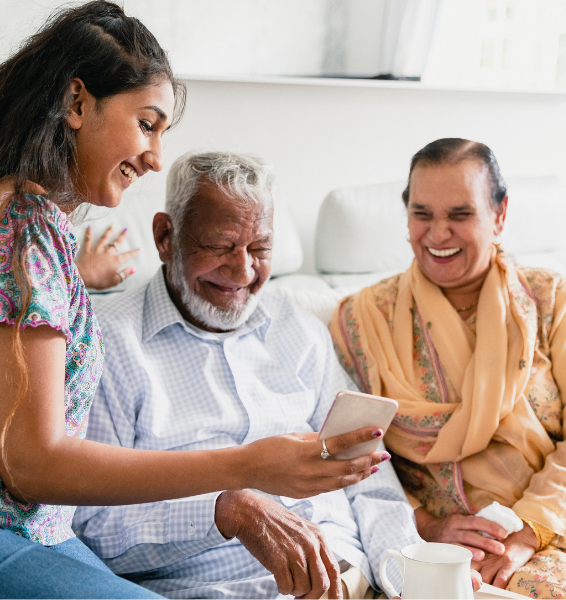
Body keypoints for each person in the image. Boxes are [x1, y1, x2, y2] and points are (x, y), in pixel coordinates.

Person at [0, 3, 385, 598]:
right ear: (77, 103)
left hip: (38, 531)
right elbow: (31, 462)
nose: (157, 155)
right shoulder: (21, 223)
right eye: (147, 123)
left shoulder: (34, 224)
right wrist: (244, 468)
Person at [73, 150, 424, 599]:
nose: (243, 271)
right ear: (165, 237)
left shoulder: (301, 330)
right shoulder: (106, 342)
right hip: (215, 589)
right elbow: (91, 529)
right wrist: (223, 511)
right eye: (220, 247)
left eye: (260, 248)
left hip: (352, 583)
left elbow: (368, 479)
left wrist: (412, 576)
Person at [330, 137, 566, 598]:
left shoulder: (549, 300)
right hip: (427, 550)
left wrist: (528, 532)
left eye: (460, 215)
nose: (438, 235)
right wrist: (426, 526)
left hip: (550, 528)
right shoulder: (362, 320)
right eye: (422, 215)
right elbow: (345, 457)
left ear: (499, 216)